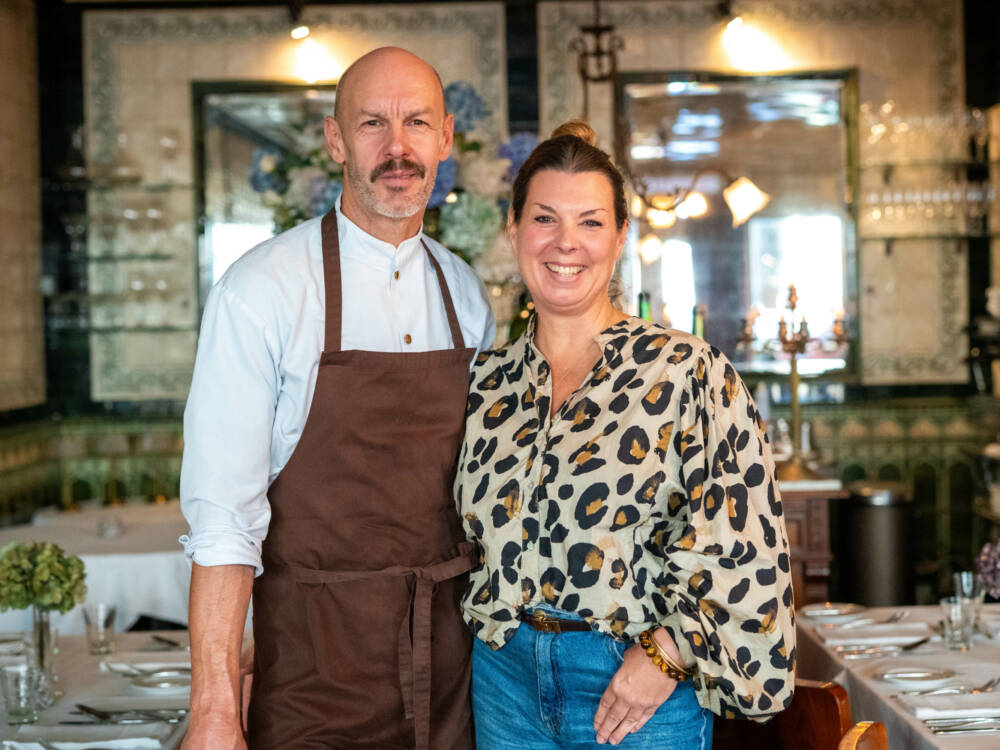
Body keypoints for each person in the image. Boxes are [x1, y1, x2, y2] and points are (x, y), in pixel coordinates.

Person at [179, 47, 495, 750]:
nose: (397, 147)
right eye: (371, 124)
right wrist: (214, 710)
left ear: (445, 136)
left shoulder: (466, 295)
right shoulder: (261, 290)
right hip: (313, 682)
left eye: (416, 123)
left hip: (451, 683)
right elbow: (224, 521)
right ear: (334, 140)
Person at [455, 120, 795, 750]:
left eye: (590, 222)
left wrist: (666, 653)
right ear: (514, 229)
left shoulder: (686, 371)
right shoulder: (486, 383)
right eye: (545, 219)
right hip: (502, 678)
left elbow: (745, 545)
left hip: (632, 682)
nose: (566, 243)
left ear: (619, 237)